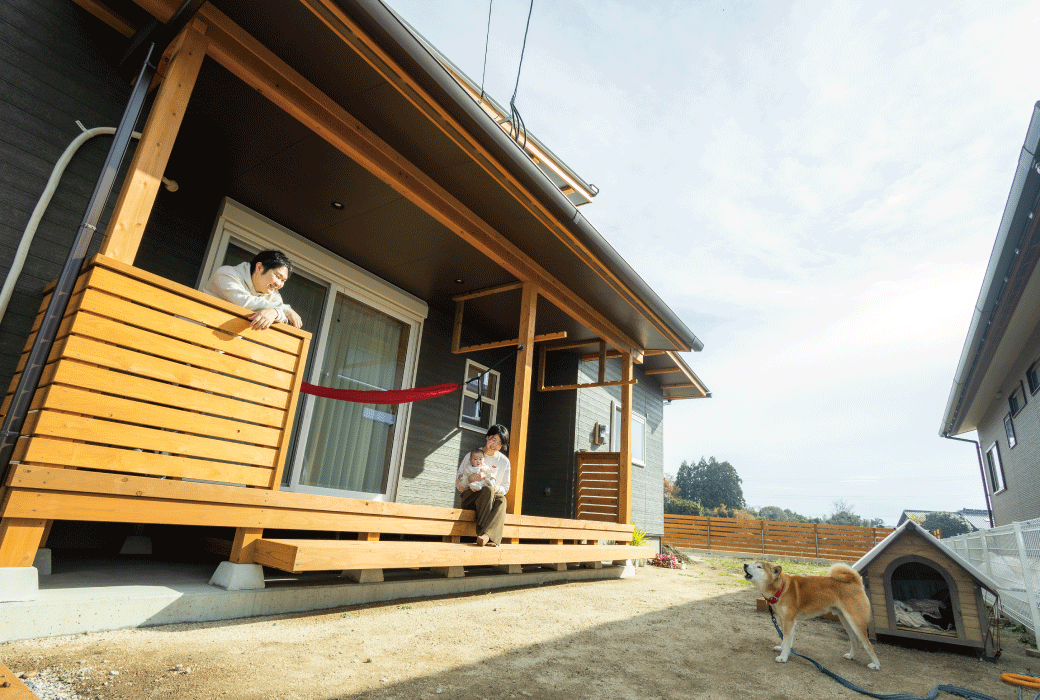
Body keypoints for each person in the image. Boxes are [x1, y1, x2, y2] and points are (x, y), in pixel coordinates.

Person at [204, 250, 303, 330]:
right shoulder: (226, 274)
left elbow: (284, 318)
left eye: (283, 280)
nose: (279, 284)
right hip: (195, 336)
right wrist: (286, 309)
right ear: (259, 268)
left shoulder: (274, 294)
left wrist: (275, 312)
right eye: (277, 276)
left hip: (225, 346)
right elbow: (244, 302)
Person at [456, 424, 510, 547]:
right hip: (470, 498)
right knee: (488, 490)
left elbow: (505, 487)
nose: (494, 445)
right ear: (487, 437)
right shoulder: (472, 455)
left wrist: (497, 488)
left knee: (502, 499)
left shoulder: (504, 462)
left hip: (490, 497)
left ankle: (486, 536)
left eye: (499, 443)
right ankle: (484, 533)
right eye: (493, 440)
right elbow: (459, 485)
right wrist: (470, 479)